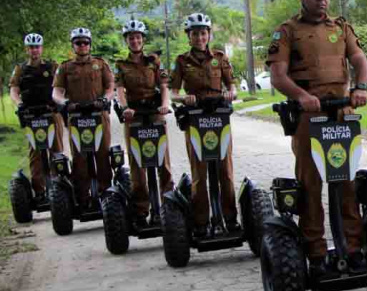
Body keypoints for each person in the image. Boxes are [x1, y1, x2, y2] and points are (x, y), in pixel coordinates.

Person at [267, 0, 367, 277]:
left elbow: (360, 61)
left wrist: (361, 87)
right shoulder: (288, 31)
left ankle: (353, 249)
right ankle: (315, 252)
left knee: (347, 181)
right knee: (310, 185)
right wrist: (300, 96)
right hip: (308, 116)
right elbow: (278, 75)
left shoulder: (341, 28)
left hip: (341, 113)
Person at [169, 13, 241, 237]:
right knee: (199, 173)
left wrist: (230, 94)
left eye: (203, 33)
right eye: (195, 34)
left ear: (208, 35)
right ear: (188, 37)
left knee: (225, 172)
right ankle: (201, 222)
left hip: (219, 118)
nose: (199, 37)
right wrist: (184, 98)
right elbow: (173, 92)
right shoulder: (182, 61)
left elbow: (233, 87)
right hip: (195, 118)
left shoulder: (220, 58)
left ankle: (230, 219)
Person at [114, 19, 174, 226]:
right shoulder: (121, 64)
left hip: (155, 113)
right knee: (137, 163)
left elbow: (164, 85)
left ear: (143, 39)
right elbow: (120, 90)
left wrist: (165, 105)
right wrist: (124, 109)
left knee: (162, 161)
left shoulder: (154, 61)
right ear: (127, 41)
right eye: (131, 38)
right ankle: (141, 210)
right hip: (134, 116)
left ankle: (169, 204)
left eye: (138, 37)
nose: (135, 41)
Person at [52, 28, 115, 205]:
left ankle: (107, 195)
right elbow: (56, 91)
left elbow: (111, 86)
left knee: (102, 155)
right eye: (78, 43)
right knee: (79, 158)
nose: (82, 46)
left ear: (90, 44)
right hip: (76, 116)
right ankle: (83, 198)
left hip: (98, 115)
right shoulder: (65, 67)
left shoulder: (100, 64)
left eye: (85, 42)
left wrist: (105, 99)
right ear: (73, 45)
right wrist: (63, 102)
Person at [9, 33, 65, 200]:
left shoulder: (52, 66)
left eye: (37, 47)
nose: (34, 50)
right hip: (32, 115)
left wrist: (61, 101)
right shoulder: (20, 69)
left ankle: (59, 184)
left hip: (51, 112)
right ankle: (39, 191)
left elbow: (62, 85)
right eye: (31, 47)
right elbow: (14, 90)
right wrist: (19, 104)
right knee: (36, 153)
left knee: (56, 149)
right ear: (27, 49)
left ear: (42, 48)